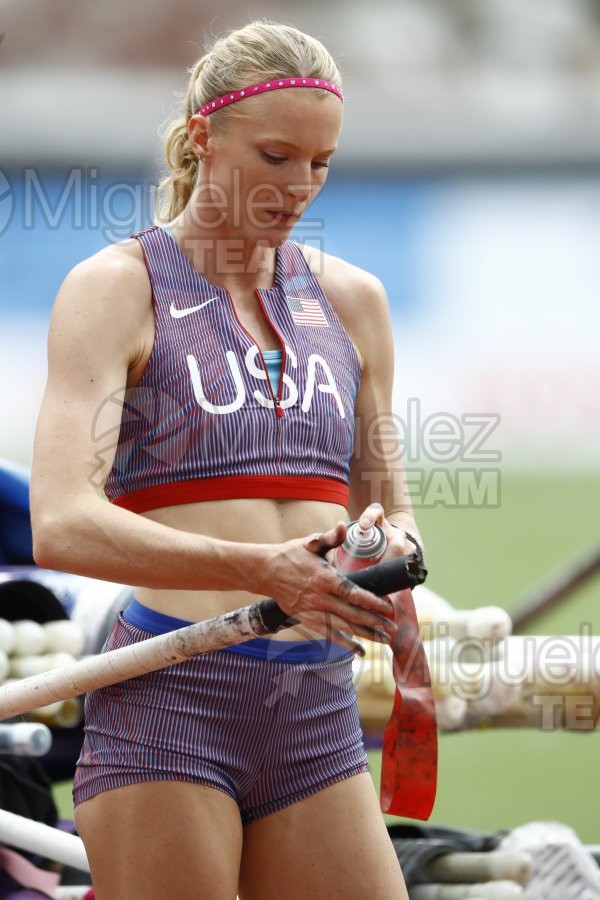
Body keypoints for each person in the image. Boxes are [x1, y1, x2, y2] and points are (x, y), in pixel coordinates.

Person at [30, 20, 422, 900]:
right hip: (169, 692)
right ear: (204, 133)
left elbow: (391, 512)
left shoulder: (356, 301)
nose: (300, 188)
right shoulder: (115, 288)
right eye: (277, 156)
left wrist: (381, 562)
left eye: (321, 164)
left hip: (315, 708)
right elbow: (59, 524)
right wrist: (262, 569)